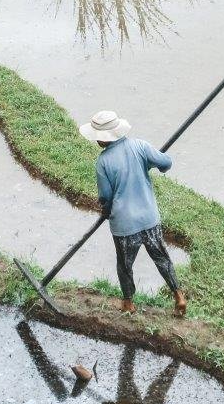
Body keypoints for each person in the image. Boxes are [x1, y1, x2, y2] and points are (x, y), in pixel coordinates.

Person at [79, 109, 187, 317]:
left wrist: (106, 209)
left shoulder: (103, 162)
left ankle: (128, 303)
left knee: (125, 264)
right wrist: (151, 164)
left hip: (124, 225)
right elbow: (166, 163)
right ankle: (179, 296)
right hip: (149, 219)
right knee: (162, 258)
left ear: (103, 139)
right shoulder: (140, 146)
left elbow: (106, 196)